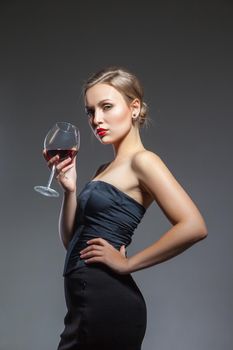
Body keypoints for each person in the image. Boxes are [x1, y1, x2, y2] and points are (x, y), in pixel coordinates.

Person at [48, 66, 208, 350]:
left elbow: (194, 226)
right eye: (90, 111)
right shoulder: (102, 169)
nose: (97, 119)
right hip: (83, 300)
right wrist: (69, 190)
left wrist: (128, 263)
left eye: (107, 107)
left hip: (106, 302)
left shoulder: (143, 161)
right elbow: (71, 243)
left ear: (134, 108)